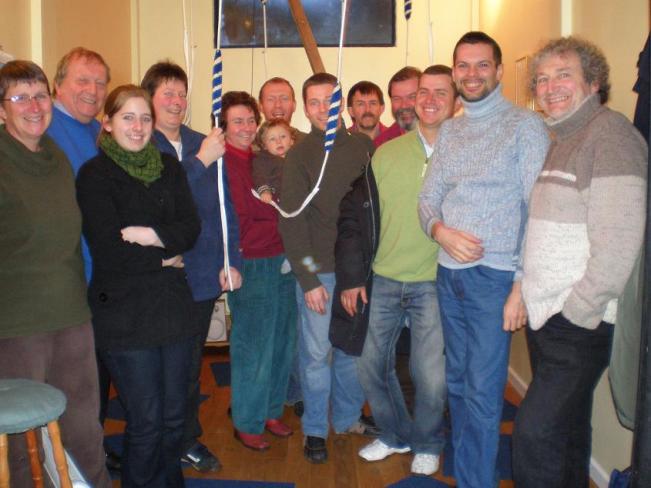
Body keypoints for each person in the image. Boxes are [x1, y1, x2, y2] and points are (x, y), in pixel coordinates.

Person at [512, 37, 647, 488]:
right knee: (566, 432)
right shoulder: (565, 138)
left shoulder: (611, 137)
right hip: (549, 316)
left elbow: (618, 247)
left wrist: (576, 311)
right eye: (542, 79)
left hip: (577, 321)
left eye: (563, 74)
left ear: (593, 81)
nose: (550, 87)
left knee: (533, 436)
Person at [417, 32, 549, 488]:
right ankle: (470, 474)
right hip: (447, 275)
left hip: (494, 278)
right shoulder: (451, 130)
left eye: (482, 65)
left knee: (482, 392)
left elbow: (538, 210)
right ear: (454, 72)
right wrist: (440, 231)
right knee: (457, 384)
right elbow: (427, 200)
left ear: (497, 70)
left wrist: (520, 284)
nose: (471, 74)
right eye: (463, 66)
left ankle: (476, 482)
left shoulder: (524, 126)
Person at [334, 65, 459, 476]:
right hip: (383, 279)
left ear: (455, 101)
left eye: (440, 92)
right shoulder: (386, 153)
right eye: (422, 92)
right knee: (369, 364)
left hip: (433, 282)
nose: (428, 99)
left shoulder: (466, 155)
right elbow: (353, 218)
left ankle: (427, 441)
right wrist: (353, 277)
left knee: (429, 374)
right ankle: (393, 433)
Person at [76, 84, 201, 487]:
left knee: (174, 418)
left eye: (145, 117)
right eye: (127, 117)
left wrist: (151, 236)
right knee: (146, 422)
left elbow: (191, 228)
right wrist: (166, 254)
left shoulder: (169, 167)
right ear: (108, 123)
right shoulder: (95, 175)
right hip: (124, 316)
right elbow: (110, 250)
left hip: (173, 311)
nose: (138, 126)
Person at [0, 60, 111, 488]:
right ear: (3, 109)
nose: (33, 106)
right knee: (22, 438)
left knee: (84, 427)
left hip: (71, 315)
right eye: (20, 97)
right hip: (17, 326)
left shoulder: (57, 157)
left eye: (40, 95)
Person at [141, 61, 243, 473]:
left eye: (181, 93)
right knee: (157, 366)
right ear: (150, 98)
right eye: (167, 92)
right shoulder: (139, 143)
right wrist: (200, 161)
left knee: (188, 364)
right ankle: (156, 438)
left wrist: (230, 260)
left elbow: (225, 211)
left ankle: (185, 438)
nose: (176, 101)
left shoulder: (204, 141)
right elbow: (156, 201)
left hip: (200, 273)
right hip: (156, 277)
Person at [278, 72, 378, 464]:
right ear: (305, 108)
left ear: (341, 103)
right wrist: (307, 278)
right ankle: (316, 428)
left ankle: (349, 417)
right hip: (319, 273)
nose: (323, 109)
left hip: (357, 272)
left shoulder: (362, 147)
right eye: (314, 102)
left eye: (329, 100)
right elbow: (291, 222)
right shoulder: (300, 156)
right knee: (317, 356)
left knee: (352, 351)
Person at [44, 46, 120, 472]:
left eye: (99, 82)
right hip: (67, 284)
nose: (93, 91)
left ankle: (90, 455)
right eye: (82, 81)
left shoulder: (96, 134)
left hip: (99, 279)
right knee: (71, 388)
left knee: (92, 383)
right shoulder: (48, 128)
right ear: (59, 84)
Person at [220, 90, 297, 451]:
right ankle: (247, 420)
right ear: (224, 125)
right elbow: (242, 215)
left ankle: (270, 410)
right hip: (252, 259)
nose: (246, 127)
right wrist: (284, 211)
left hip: (283, 255)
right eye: (238, 121)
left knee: (282, 340)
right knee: (254, 344)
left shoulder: (261, 157)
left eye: (251, 120)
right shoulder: (225, 162)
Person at [258, 76, 305, 414]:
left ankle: (297, 392)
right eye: (271, 99)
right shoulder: (251, 144)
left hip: (302, 252)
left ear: (294, 105)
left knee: (300, 329)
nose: (278, 105)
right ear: (262, 105)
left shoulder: (306, 145)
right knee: (263, 330)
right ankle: (259, 394)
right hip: (262, 253)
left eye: (284, 98)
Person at [374, 66, 421, 147]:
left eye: (412, 97)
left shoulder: (445, 138)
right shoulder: (381, 145)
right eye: (397, 99)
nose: (404, 105)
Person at [253, 118, 295, 203]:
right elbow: (259, 176)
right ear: (264, 145)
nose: (278, 141)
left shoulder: (298, 158)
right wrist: (264, 190)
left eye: (283, 136)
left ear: (291, 140)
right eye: (272, 139)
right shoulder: (263, 160)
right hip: (276, 201)